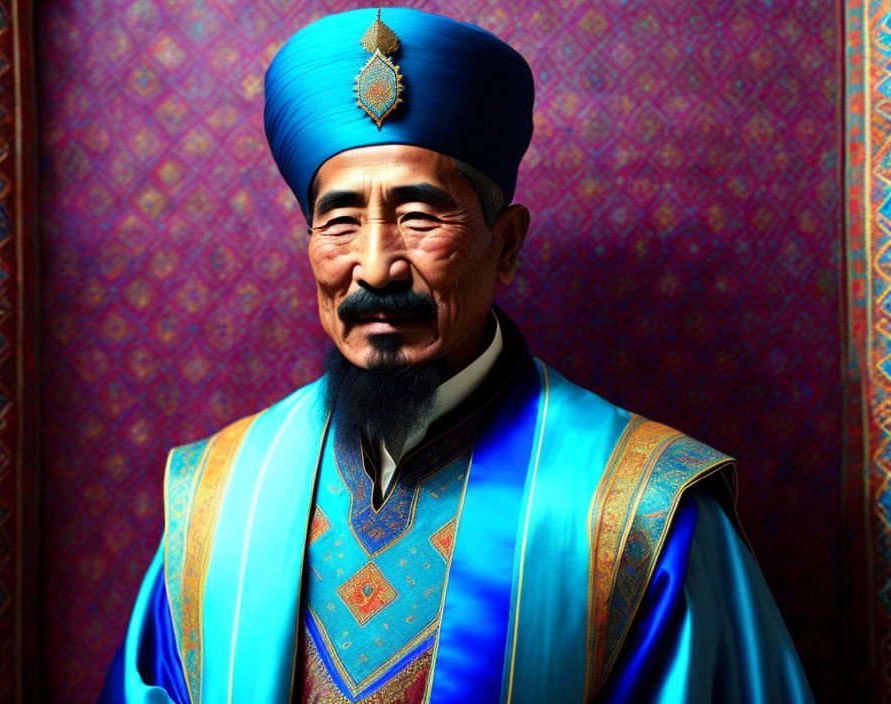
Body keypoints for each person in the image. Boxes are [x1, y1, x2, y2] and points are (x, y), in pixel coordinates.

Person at [100, 7, 813, 704]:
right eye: (341, 221)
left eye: (418, 216)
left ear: (505, 245)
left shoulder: (644, 516)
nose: (376, 268)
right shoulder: (219, 503)